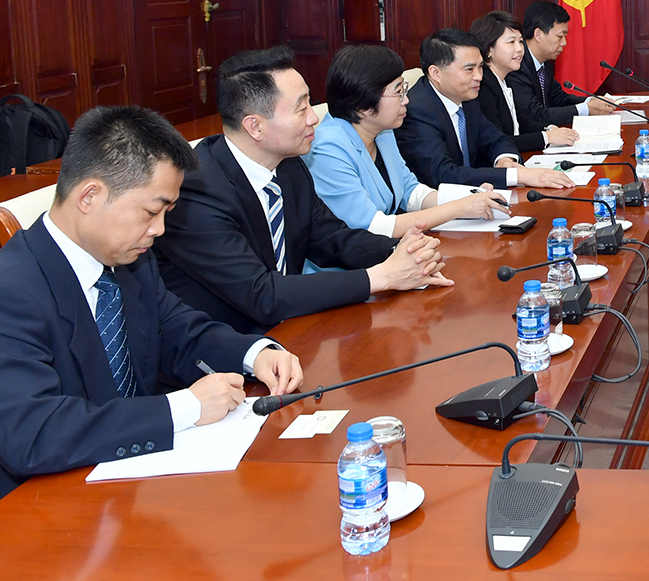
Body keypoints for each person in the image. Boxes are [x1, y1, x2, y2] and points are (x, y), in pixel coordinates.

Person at [0, 105, 305, 499]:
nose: (158, 230)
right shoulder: (12, 288)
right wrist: (184, 408)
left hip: (133, 488)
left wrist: (255, 354)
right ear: (89, 196)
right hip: (43, 504)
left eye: (166, 213)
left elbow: (178, 331)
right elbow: (32, 432)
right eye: (151, 212)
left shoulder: (131, 263)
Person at [154, 47, 452, 335]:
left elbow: (331, 238)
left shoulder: (289, 166)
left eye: (311, 103)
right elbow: (261, 293)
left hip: (292, 328)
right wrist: (381, 277)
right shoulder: (196, 192)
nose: (314, 118)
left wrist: (400, 252)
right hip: (229, 346)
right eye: (301, 109)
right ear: (255, 127)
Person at [307, 45, 511, 235]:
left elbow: (410, 191)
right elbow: (373, 226)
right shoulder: (328, 150)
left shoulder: (382, 131)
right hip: (353, 258)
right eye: (398, 93)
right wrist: (459, 208)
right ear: (363, 104)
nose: (406, 100)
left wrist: (469, 197)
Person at [394, 29, 575, 191]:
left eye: (480, 67)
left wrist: (505, 160)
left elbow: (496, 138)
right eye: (469, 69)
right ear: (436, 73)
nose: (479, 76)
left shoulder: (467, 98)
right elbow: (443, 174)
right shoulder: (417, 110)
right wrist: (517, 176)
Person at [470, 10, 579, 154]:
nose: (519, 49)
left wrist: (550, 128)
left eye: (520, 42)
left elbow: (523, 123)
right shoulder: (483, 85)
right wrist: (546, 137)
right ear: (489, 49)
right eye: (511, 42)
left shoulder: (504, 80)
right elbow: (498, 140)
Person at [508, 0, 619, 127]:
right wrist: (586, 109)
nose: (564, 43)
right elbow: (535, 114)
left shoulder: (544, 63)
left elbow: (558, 98)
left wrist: (591, 101)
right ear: (538, 35)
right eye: (560, 36)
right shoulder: (516, 66)